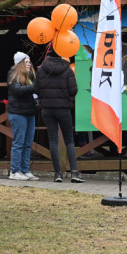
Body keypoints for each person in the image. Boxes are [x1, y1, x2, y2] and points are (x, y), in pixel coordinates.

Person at [35, 50, 83, 183]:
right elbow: (74, 90)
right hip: (63, 108)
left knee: (53, 140)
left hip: (47, 109)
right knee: (69, 140)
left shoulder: (41, 70)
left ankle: (57, 174)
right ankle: (74, 172)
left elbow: (36, 89)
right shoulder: (67, 69)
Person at [7, 52, 39, 181]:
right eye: (26, 62)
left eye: (29, 62)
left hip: (30, 112)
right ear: (20, 64)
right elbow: (18, 90)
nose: (29, 64)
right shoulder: (13, 75)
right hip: (18, 112)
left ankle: (25, 170)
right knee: (19, 143)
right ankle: (15, 171)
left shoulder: (31, 76)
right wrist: (35, 87)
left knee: (28, 143)